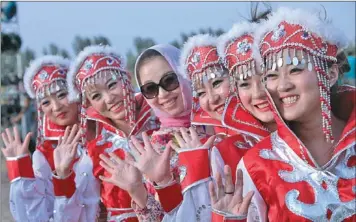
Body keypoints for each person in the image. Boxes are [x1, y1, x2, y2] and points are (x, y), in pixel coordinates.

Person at [220, 7, 355, 221]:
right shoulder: (256, 165)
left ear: (329, 75)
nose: (281, 86)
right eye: (272, 75)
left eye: (295, 70)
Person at [66, 45, 160, 221]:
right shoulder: (95, 152)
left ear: (128, 78)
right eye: (96, 96)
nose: (109, 99)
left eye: (112, 85)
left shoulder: (163, 123)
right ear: (88, 105)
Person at [1, 55, 100, 221]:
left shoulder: (106, 130)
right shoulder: (45, 155)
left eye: (62, 94)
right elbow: (35, 216)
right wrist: (19, 170)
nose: (56, 107)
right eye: (46, 102)